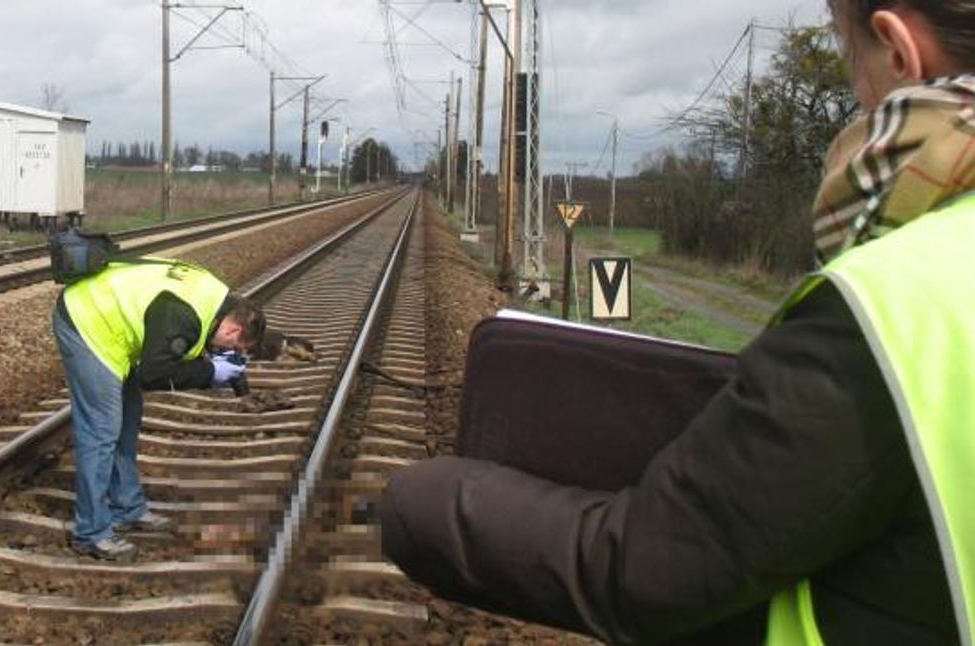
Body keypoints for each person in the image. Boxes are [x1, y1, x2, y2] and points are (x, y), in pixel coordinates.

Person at [380, 1, 974, 644]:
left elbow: (644, 570)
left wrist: (423, 503)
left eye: (851, 64)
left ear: (898, 51)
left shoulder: (894, 299)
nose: (857, 100)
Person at [52, 258, 266, 560]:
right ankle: (91, 533)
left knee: (127, 420)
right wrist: (209, 374)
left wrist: (213, 368)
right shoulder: (183, 315)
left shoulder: (215, 299)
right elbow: (153, 373)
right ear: (233, 331)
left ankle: (127, 508)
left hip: (110, 320)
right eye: (236, 348)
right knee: (101, 431)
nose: (228, 353)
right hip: (86, 320)